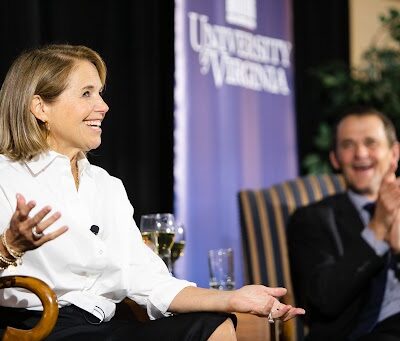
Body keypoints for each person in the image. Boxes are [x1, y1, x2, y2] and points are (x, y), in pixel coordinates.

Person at [0, 44, 305, 341]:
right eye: (86, 93)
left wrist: (231, 299)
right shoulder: (6, 174)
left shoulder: (107, 186)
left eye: (100, 93)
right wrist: (9, 246)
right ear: (41, 107)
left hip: (104, 324)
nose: (103, 106)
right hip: (37, 328)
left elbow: (148, 280)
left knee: (211, 325)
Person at [288, 106, 400, 341]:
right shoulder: (311, 220)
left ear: (394, 153)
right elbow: (322, 302)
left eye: (371, 142)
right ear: (335, 159)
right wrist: (377, 228)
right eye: (348, 145)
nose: (360, 153)